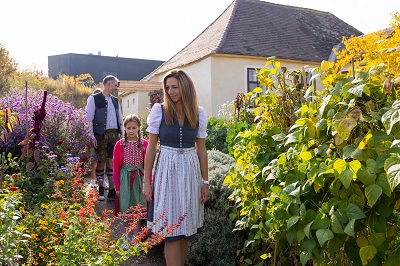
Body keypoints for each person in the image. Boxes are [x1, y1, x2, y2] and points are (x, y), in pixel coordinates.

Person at [142, 69, 209, 266]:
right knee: (170, 229)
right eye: (167, 88)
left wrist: (205, 182)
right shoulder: (159, 111)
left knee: (184, 230)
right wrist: (147, 181)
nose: (170, 91)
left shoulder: (199, 113)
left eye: (174, 87)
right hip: (166, 171)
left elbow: (202, 150)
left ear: (185, 88)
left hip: (189, 172)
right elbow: (152, 148)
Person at [85, 75, 123, 201]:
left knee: (112, 161)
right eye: (115, 85)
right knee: (101, 161)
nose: (116, 88)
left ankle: (111, 190)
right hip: (100, 134)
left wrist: (122, 135)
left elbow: (120, 119)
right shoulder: (94, 99)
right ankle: (101, 189)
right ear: (108, 84)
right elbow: (88, 119)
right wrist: (91, 136)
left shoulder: (115, 100)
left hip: (114, 134)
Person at [113, 114, 149, 235]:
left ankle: (135, 238)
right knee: (126, 208)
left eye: (134, 128)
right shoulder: (119, 145)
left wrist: (149, 182)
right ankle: (125, 238)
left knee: (137, 210)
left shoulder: (145, 144)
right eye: (128, 128)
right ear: (124, 128)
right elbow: (116, 167)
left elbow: (148, 166)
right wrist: (117, 186)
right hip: (125, 180)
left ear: (139, 128)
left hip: (139, 179)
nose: (131, 131)